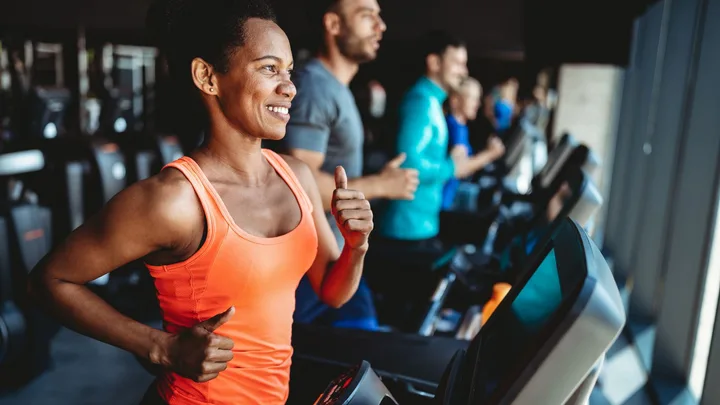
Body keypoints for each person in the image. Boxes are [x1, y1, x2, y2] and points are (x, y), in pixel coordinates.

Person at [28, 1, 374, 404]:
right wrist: (160, 347)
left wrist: (356, 245)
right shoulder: (175, 200)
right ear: (207, 77)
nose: (290, 86)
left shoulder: (295, 176)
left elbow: (332, 292)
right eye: (268, 68)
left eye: (289, 70)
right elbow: (49, 281)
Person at [280, 0, 417, 331]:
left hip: (338, 258)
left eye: (380, 17)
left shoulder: (335, 87)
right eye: (367, 15)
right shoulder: (314, 86)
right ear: (333, 25)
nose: (380, 26)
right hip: (311, 270)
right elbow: (301, 180)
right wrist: (382, 185)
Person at [378, 31, 504, 250]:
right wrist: (453, 166)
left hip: (420, 223)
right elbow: (408, 165)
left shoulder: (433, 102)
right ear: (434, 62)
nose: (463, 72)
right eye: (456, 63)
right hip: (409, 226)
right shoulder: (421, 102)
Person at [442, 77, 505, 210]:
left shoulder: (461, 127)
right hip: (445, 203)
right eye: (472, 98)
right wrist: (490, 154)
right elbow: (460, 169)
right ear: (455, 100)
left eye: (478, 99)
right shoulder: (454, 128)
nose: (477, 104)